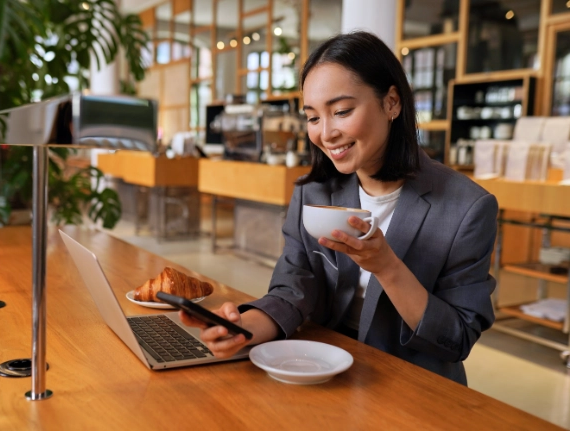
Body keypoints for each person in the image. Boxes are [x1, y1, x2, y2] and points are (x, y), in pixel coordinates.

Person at [180, 31, 498, 385]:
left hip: (412, 384)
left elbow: (457, 338)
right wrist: (244, 330)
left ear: (392, 102)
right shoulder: (313, 191)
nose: (326, 133)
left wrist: (387, 268)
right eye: (314, 117)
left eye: (342, 111)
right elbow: (293, 288)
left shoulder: (467, 208)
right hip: (320, 368)